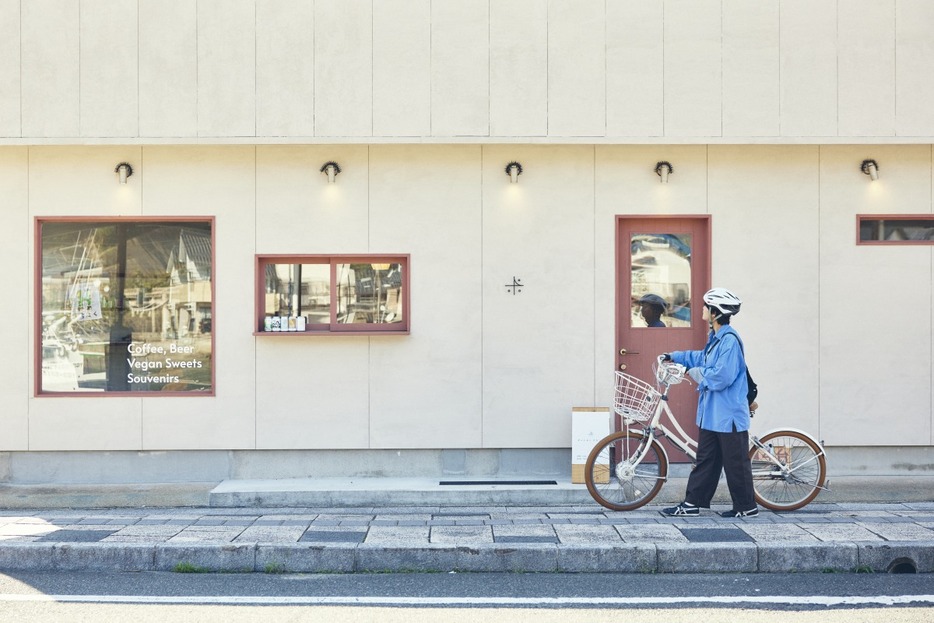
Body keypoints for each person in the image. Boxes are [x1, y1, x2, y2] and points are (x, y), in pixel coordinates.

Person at [661, 287, 758, 518]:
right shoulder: (716, 339)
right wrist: (674, 356)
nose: (702, 310)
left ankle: (747, 507)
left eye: (706, 307)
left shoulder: (730, 341)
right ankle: (693, 504)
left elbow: (721, 376)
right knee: (706, 461)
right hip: (712, 414)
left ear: (715, 313)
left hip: (728, 415)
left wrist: (690, 372)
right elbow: (700, 357)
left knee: (735, 464)